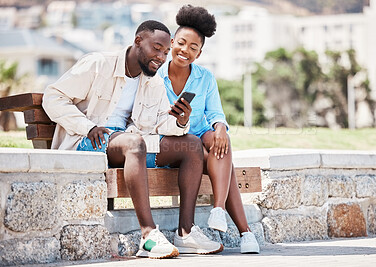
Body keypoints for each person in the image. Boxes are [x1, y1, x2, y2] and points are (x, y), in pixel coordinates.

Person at [43, 20, 223, 259]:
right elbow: (53, 97)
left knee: (190, 144)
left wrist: (181, 120)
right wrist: (88, 127)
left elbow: (161, 124)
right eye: (156, 48)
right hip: (88, 142)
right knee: (135, 142)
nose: (161, 57)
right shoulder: (98, 64)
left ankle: (186, 232)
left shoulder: (153, 80)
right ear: (138, 41)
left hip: (128, 144)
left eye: (165, 52)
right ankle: (148, 235)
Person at [158, 5, 260, 254]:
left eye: (193, 48)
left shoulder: (205, 77)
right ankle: (244, 231)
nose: (185, 51)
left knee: (221, 143)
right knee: (227, 168)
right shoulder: (156, 75)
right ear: (172, 42)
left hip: (200, 135)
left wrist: (221, 128)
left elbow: (215, 113)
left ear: (200, 53)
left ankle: (219, 211)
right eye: (182, 43)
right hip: (172, 141)